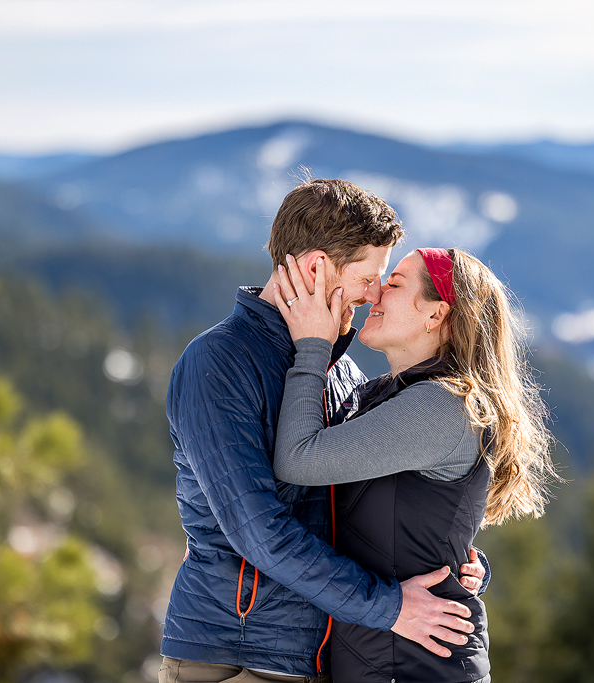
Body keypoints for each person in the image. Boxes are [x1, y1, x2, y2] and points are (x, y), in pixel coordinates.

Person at [160, 179, 489, 683]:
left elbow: (370, 505)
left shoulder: (338, 370)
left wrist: (456, 559)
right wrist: (389, 607)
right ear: (316, 267)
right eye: (370, 278)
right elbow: (259, 532)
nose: (375, 294)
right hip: (238, 652)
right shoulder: (219, 363)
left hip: (323, 653)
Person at [270, 247, 556, 682]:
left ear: (436, 315)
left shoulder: (440, 407)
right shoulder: (400, 395)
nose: (377, 293)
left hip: (414, 667)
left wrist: (312, 346)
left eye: (396, 284)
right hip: (391, 662)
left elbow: (299, 459)